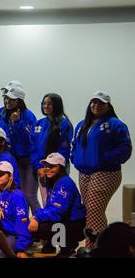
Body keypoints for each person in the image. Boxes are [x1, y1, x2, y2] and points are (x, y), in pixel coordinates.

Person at [71, 91, 132, 249]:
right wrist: (74, 158)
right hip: (84, 172)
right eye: (94, 102)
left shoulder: (115, 124)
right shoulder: (82, 124)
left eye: (101, 103)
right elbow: (75, 145)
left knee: (94, 209)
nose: (96, 105)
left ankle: (95, 247)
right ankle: (99, 246)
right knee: (90, 211)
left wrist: (105, 158)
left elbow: (125, 148)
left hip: (106, 172)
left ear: (108, 105)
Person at [29, 153, 86, 257]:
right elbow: (49, 207)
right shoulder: (54, 181)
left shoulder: (65, 183)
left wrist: (37, 218)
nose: (47, 169)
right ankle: (54, 246)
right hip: (66, 221)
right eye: (46, 165)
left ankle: (68, 249)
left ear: (61, 167)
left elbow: (57, 212)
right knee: (37, 223)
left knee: (42, 227)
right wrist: (35, 216)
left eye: (52, 166)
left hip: (75, 225)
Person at [0, 85, 39, 213]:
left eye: (12, 99)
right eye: (6, 98)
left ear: (19, 101)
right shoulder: (4, 115)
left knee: (30, 196)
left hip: (28, 161)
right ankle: (24, 225)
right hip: (15, 161)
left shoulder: (28, 115)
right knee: (20, 196)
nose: (7, 101)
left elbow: (31, 139)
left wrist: (18, 123)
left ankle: (40, 226)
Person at [30, 93, 73, 206]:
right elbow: (32, 147)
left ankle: (61, 224)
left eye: (50, 104)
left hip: (58, 169)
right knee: (46, 201)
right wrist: (39, 167)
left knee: (58, 201)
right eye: (44, 103)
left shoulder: (64, 124)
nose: (46, 106)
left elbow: (64, 150)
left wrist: (53, 167)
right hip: (42, 168)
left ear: (57, 105)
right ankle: (48, 224)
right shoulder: (38, 124)